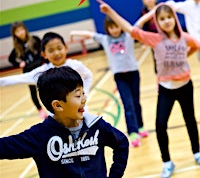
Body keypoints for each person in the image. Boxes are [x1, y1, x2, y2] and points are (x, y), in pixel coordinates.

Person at [96, 0, 200, 178]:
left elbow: (196, 44)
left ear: (174, 18)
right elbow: (130, 29)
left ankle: (197, 153)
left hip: (186, 86)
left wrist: (186, 56)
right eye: (162, 18)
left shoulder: (184, 38)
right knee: (160, 125)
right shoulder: (154, 39)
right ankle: (167, 162)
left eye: (169, 17)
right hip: (166, 88)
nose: (166, 21)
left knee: (190, 120)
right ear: (158, 22)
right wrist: (110, 12)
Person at [0, 66, 129, 178]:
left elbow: (122, 143)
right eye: (78, 96)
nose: (84, 99)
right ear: (58, 106)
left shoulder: (95, 125)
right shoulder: (40, 136)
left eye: (83, 93)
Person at [69, 16, 148, 148]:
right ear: (108, 29)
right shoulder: (105, 39)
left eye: (116, 26)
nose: (114, 30)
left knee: (136, 102)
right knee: (128, 105)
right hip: (119, 77)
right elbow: (89, 34)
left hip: (133, 74)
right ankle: (133, 132)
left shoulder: (128, 35)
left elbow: (140, 22)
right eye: (111, 27)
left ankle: (140, 126)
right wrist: (74, 33)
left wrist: (155, 10)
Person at [0, 32, 93, 98]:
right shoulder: (42, 72)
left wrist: (85, 94)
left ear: (66, 48)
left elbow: (88, 75)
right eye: (51, 50)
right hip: (58, 120)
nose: (56, 53)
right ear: (44, 54)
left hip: (80, 114)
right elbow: (19, 79)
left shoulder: (75, 65)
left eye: (59, 48)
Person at [8, 21, 46, 119]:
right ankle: (40, 110)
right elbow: (11, 59)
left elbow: (43, 49)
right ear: (14, 34)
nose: (20, 32)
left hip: (40, 68)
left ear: (25, 29)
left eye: (21, 29)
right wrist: (19, 63)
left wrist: (43, 59)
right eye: (17, 31)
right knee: (33, 92)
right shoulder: (17, 47)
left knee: (46, 87)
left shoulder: (34, 39)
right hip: (28, 72)